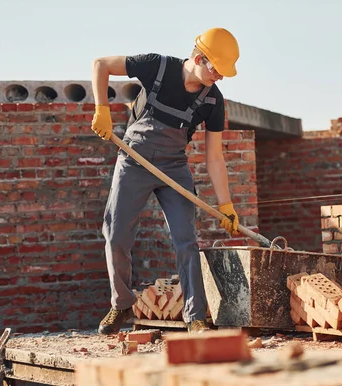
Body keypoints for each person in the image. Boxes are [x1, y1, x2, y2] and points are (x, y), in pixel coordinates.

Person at [89, 27, 241, 335]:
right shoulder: (157, 66)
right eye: (217, 69)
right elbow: (101, 65)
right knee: (116, 233)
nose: (220, 77)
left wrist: (226, 203)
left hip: (173, 167)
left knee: (186, 240)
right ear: (199, 58)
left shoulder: (213, 101)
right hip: (134, 160)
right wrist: (101, 109)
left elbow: (214, 157)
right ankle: (121, 304)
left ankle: (195, 317)